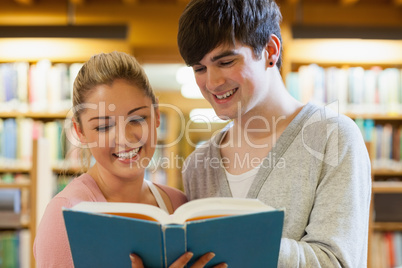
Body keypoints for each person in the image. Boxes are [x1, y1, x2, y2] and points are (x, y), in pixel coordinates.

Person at [176, 0, 371, 267]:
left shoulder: (332, 137)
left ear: (270, 50)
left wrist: (237, 241)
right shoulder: (197, 166)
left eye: (226, 61)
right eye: (199, 68)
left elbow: (335, 262)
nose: (211, 83)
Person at [33, 51, 221, 268]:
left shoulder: (179, 205)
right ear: (80, 131)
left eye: (137, 118)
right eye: (103, 126)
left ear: (157, 115)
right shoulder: (65, 217)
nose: (124, 139)